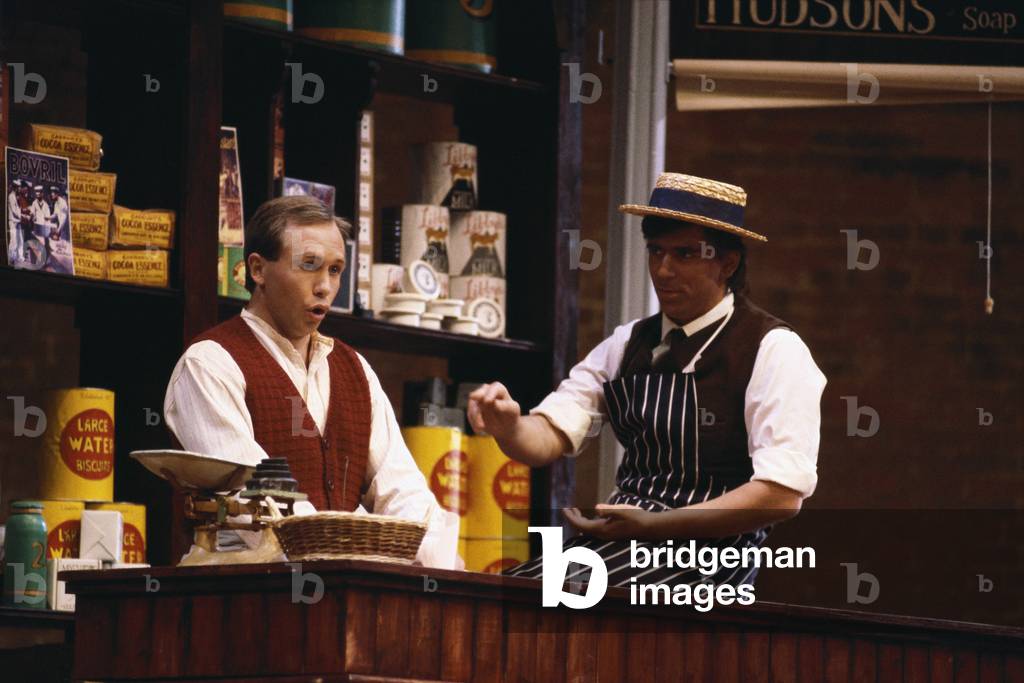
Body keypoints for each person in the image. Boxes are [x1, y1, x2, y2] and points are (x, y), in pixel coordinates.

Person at [468, 173, 826, 587]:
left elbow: (781, 495)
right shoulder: (627, 344)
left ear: (727, 263)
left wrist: (656, 525)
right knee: (502, 595)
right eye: (656, 251)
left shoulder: (773, 349)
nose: (664, 270)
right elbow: (551, 433)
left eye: (685, 254)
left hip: (709, 562)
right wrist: (510, 427)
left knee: (560, 600)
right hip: (621, 543)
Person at [164, 196, 459, 567]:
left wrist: (438, 565)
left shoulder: (355, 370)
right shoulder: (210, 364)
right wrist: (355, 548)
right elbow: (259, 500)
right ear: (257, 269)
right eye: (309, 265)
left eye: (335, 270)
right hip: (246, 593)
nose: (324, 286)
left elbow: (404, 492)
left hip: (343, 589)